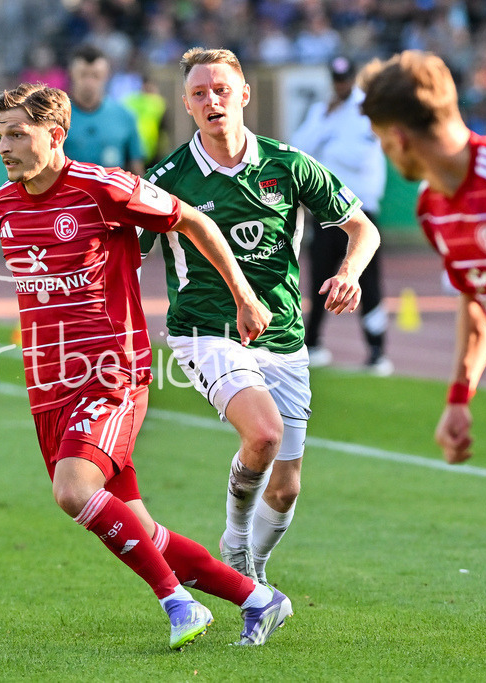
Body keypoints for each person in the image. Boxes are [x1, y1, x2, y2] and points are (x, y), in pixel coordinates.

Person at [0, 82, 293, 650]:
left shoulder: (103, 187)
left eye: (17, 134)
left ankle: (178, 603)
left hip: (112, 373)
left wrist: (243, 295)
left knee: (73, 491)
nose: (4, 147)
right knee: (142, 530)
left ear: (55, 135)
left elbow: (194, 222)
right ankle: (258, 600)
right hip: (48, 385)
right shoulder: (3, 205)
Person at [140, 48, 381, 585]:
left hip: (283, 334)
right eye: (199, 93)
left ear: (244, 95)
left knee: (287, 487)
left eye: (221, 90)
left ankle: (256, 571)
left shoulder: (288, 165)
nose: (212, 100)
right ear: (186, 104)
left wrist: (349, 273)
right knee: (264, 435)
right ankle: (234, 543)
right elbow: (127, 253)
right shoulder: (168, 179)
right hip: (206, 331)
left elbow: (363, 228)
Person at [360, 50, 486, 464]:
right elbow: (477, 297)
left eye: (381, 141)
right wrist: (459, 396)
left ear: (399, 138)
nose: (385, 152)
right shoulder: (431, 208)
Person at [292, 55, 392, 375]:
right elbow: (298, 148)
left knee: (368, 283)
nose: (341, 85)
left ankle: (377, 351)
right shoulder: (323, 110)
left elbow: (360, 157)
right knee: (319, 280)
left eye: (345, 78)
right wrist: (326, 124)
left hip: (362, 212)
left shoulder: (366, 108)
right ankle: (313, 343)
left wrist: (326, 148)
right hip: (326, 212)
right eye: (337, 80)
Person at [64, 43, 145, 176]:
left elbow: (137, 170)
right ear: (71, 73)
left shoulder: (124, 116)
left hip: (112, 189)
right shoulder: (56, 117)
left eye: (96, 75)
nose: (89, 82)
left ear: (107, 75)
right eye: (83, 75)